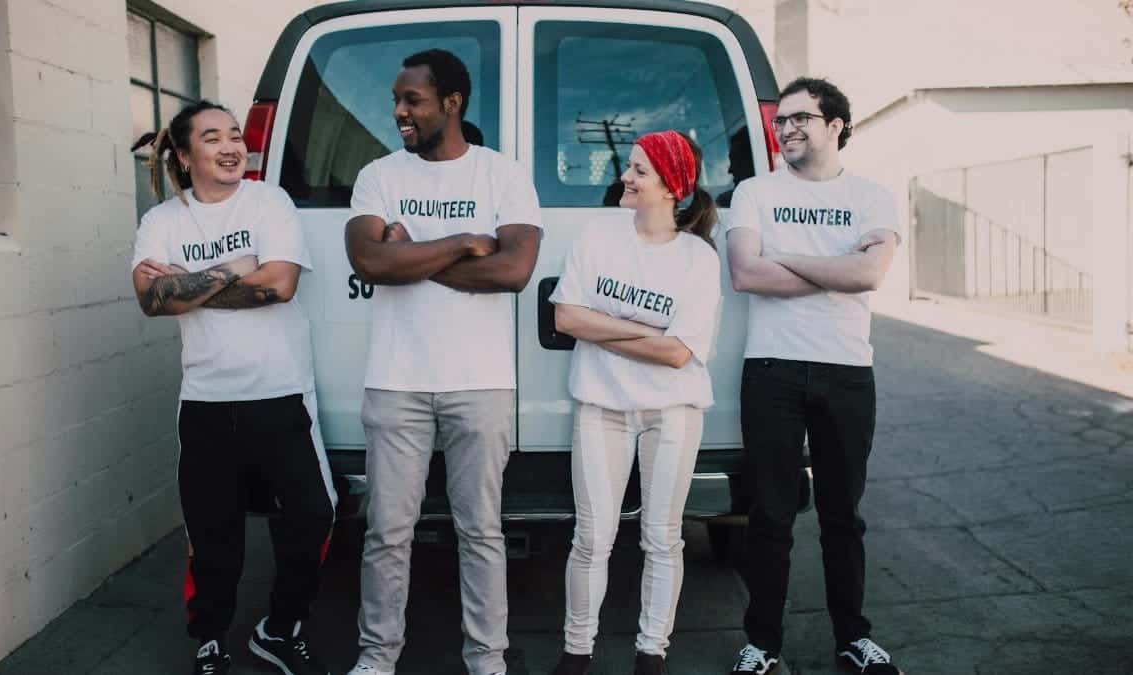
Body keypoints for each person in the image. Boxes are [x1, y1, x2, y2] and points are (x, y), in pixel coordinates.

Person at [342, 49, 542, 675]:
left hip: (479, 385)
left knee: (481, 532)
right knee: (386, 534)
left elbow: (513, 270)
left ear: (451, 102)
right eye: (398, 100)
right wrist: (459, 243)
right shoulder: (379, 176)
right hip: (396, 382)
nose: (400, 111)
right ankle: (377, 658)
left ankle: (487, 660)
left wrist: (414, 253)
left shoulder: (502, 175)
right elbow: (371, 264)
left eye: (413, 100)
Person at [130, 100, 336, 675]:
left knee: (311, 518)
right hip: (204, 402)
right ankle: (211, 638)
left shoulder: (268, 200)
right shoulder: (162, 221)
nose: (230, 146)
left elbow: (279, 284)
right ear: (185, 154)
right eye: (213, 137)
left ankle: (278, 628)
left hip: (279, 393)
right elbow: (150, 301)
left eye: (235, 135)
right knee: (213, 536)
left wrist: (186, 284)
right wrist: (232, 267)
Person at [723, 78, 904, 675]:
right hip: (771, 370)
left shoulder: (873, 196)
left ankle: (853, 637)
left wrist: (790, 258)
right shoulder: (754, 192)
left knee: (841, 517)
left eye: (802, 118)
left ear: (836, 126)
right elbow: (747, 275)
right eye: (782, 121)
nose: (787, 129)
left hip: (848, 371)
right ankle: (762, 645)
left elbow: (872, 273)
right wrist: (838, 266)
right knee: (771, 516)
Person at [548, 130, 722, 675]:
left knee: (661, 539)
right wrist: (638, 330)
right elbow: (565, 318)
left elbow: (677, 354)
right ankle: (577, 655)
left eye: (640, 170)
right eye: (630, 165)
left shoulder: (697, 257)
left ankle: (652, 655)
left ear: (672, 187)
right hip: (601, 408)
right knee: (591, 538)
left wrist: (603, 328)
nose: (625, 175)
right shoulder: (597, 238)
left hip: (673, 414)